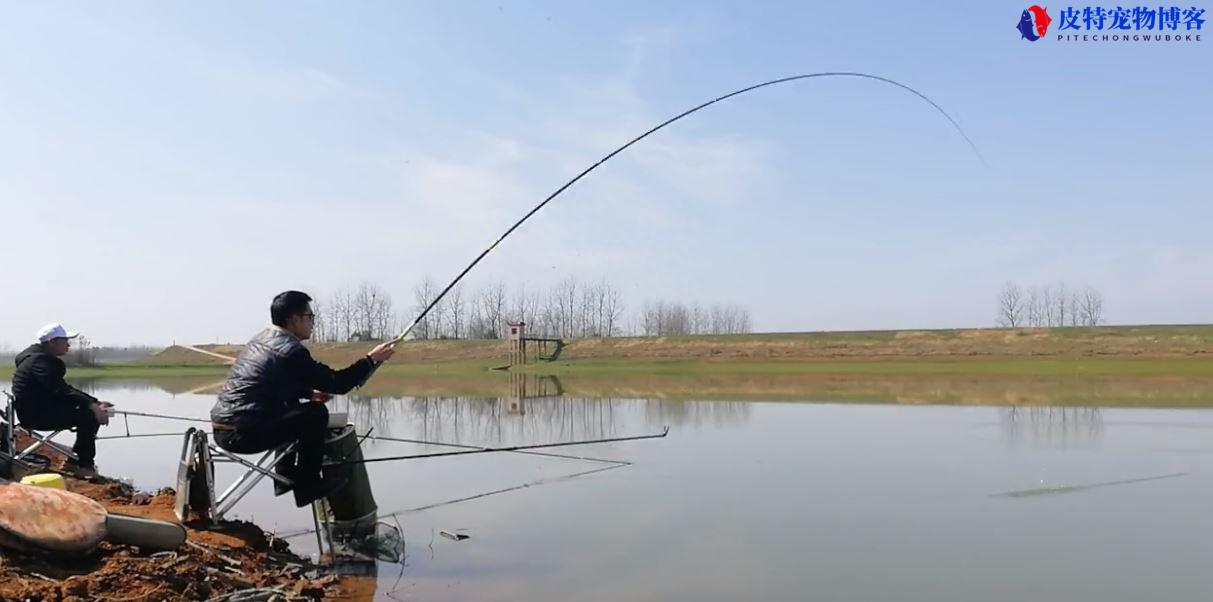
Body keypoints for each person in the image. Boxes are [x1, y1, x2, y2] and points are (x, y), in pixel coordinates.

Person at [210, 291, 395, 507]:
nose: (313, 323)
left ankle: (285, 476)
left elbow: (273, 383)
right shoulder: (290, 351)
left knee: (297, 407)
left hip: (224, 429)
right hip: (244, 433)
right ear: (294, 319)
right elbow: (338, 382)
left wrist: (309, 393)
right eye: (310, 317)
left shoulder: (262, 340)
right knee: (315, 414)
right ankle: (308, 486)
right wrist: (371, 359)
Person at [11, 323, 112, 479]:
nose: (68, 344)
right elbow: (61, 390)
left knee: (87, 411)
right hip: (36, 416)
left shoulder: (35, 358)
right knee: (89, 416)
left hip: (35, 409)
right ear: (52, 342)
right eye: (65, 340)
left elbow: (60, 391)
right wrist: (92, 405)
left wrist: (93, 402)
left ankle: (75, 461)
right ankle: (83, 465)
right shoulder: (40, 362)